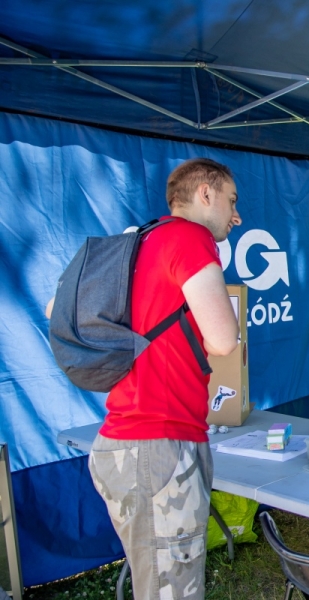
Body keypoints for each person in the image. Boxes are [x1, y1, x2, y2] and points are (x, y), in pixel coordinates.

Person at [65, 159, 241, 600]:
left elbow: (56, 310)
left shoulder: (140, 241)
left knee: (156, 583)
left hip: (127, 442)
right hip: (158, 446)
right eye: (231, 200)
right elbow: (224, 339)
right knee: (170, 590)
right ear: (205, 194)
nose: (236, 216)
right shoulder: (190, 237)